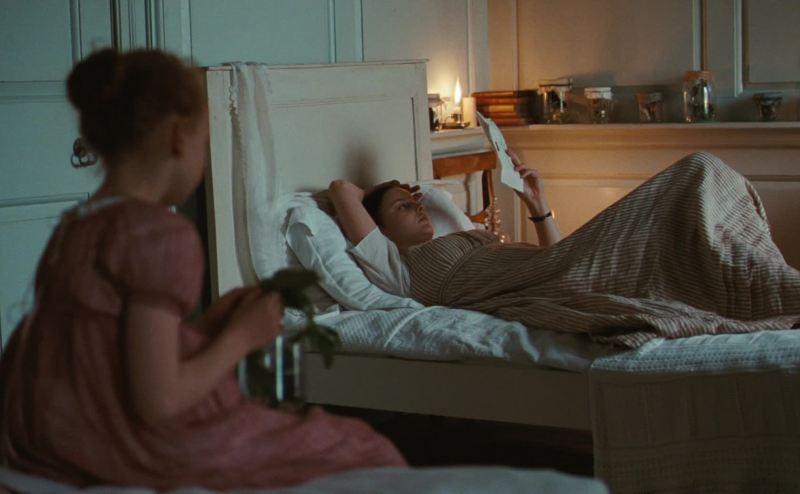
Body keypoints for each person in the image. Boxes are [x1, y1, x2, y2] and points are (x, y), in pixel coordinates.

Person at [0, 48, 404, 490]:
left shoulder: (74, 226)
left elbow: (110, 349)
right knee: (363, 449)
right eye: (205, 144)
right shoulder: (159, 236)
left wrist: (206, 329)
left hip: (48, 433)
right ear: (179, 136)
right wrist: (240, 338)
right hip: (119, 443)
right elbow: (160, 400)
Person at [329, 151, 800, 348]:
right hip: (560, 279)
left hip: (561, 267)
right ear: (379, 230)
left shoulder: (460, 237)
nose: (418, 206)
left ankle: (779, 289)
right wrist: (381, 191)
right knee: (695, 173)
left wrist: (539, 206)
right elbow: (340, 190)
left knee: (703, 198)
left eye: (416, 201)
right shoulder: (396, 267)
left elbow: (548, 262)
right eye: (403, 207)